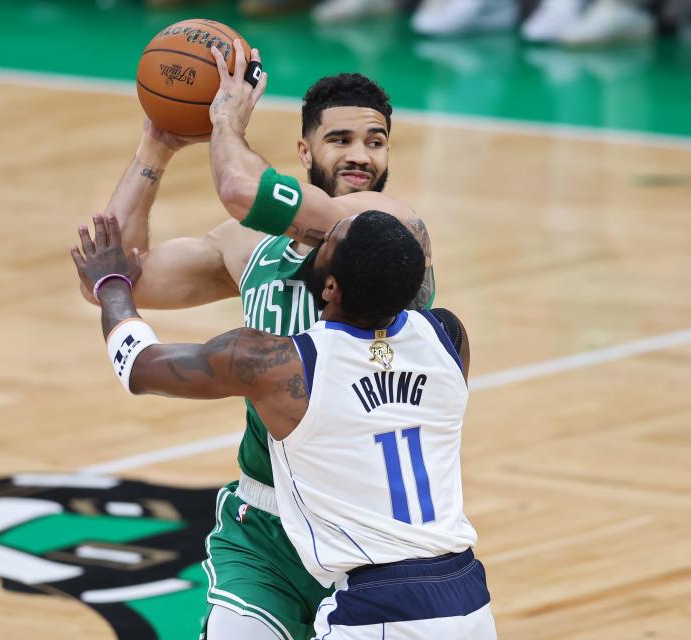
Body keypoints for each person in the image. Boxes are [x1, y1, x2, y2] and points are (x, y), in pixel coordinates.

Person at [82, 55, 435, 638]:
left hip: (367, 533)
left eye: (376, 141)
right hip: (265, 524)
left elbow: (241, 188)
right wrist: (157, 143)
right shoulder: (249, 247)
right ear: (304, 152)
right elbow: (120, 276)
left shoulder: (390, 226)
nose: (360, 155)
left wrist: (225, 123)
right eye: (340, 139)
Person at [70, 210, 496, 639]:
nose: (318, 234)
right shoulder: (448, 336)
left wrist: (111, 285)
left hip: (380, 607)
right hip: (466, 595)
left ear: (331, 286)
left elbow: (140, 367)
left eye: (328, 239)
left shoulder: (279, 366)